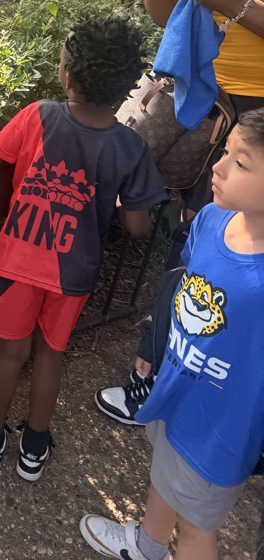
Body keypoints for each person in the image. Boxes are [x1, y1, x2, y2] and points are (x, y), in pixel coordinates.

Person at [97, 0, 264, 424]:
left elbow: (230, 5)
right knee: (189, 248)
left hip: (254, 122)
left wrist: (240, 2)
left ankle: (211, 399)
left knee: (227, 258)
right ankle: (152, 378)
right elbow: (168, 17)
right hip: (201, 102)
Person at [0, 18, 166, 483]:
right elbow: (137, 226)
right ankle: (35, 446)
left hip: (18, 261)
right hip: (75, 271)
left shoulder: (39, 114)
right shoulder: (130, 146)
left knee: (9, 354)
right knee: (50, 354)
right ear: (124, 85)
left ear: (67, 77)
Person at [81, 108, 264, 560]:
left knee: (197, 528)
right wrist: (155, 342)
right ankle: (148, 545)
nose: (218, 167)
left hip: (219, 429)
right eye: (225, 152)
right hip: (175, 391)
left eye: (241, 163)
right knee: (163, 475)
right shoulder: (211, 220)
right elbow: (182, 285)